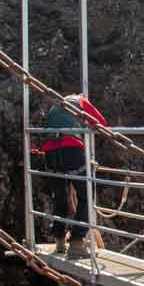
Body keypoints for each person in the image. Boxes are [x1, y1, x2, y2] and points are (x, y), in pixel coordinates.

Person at [33, 93, 107, 258]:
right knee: (86, 195)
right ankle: (76, 241)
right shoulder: (82, 102)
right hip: (71, 150)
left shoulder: (55, 106)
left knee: (61, 197)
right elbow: (102, 124)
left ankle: (59, 240)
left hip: (51, 152)